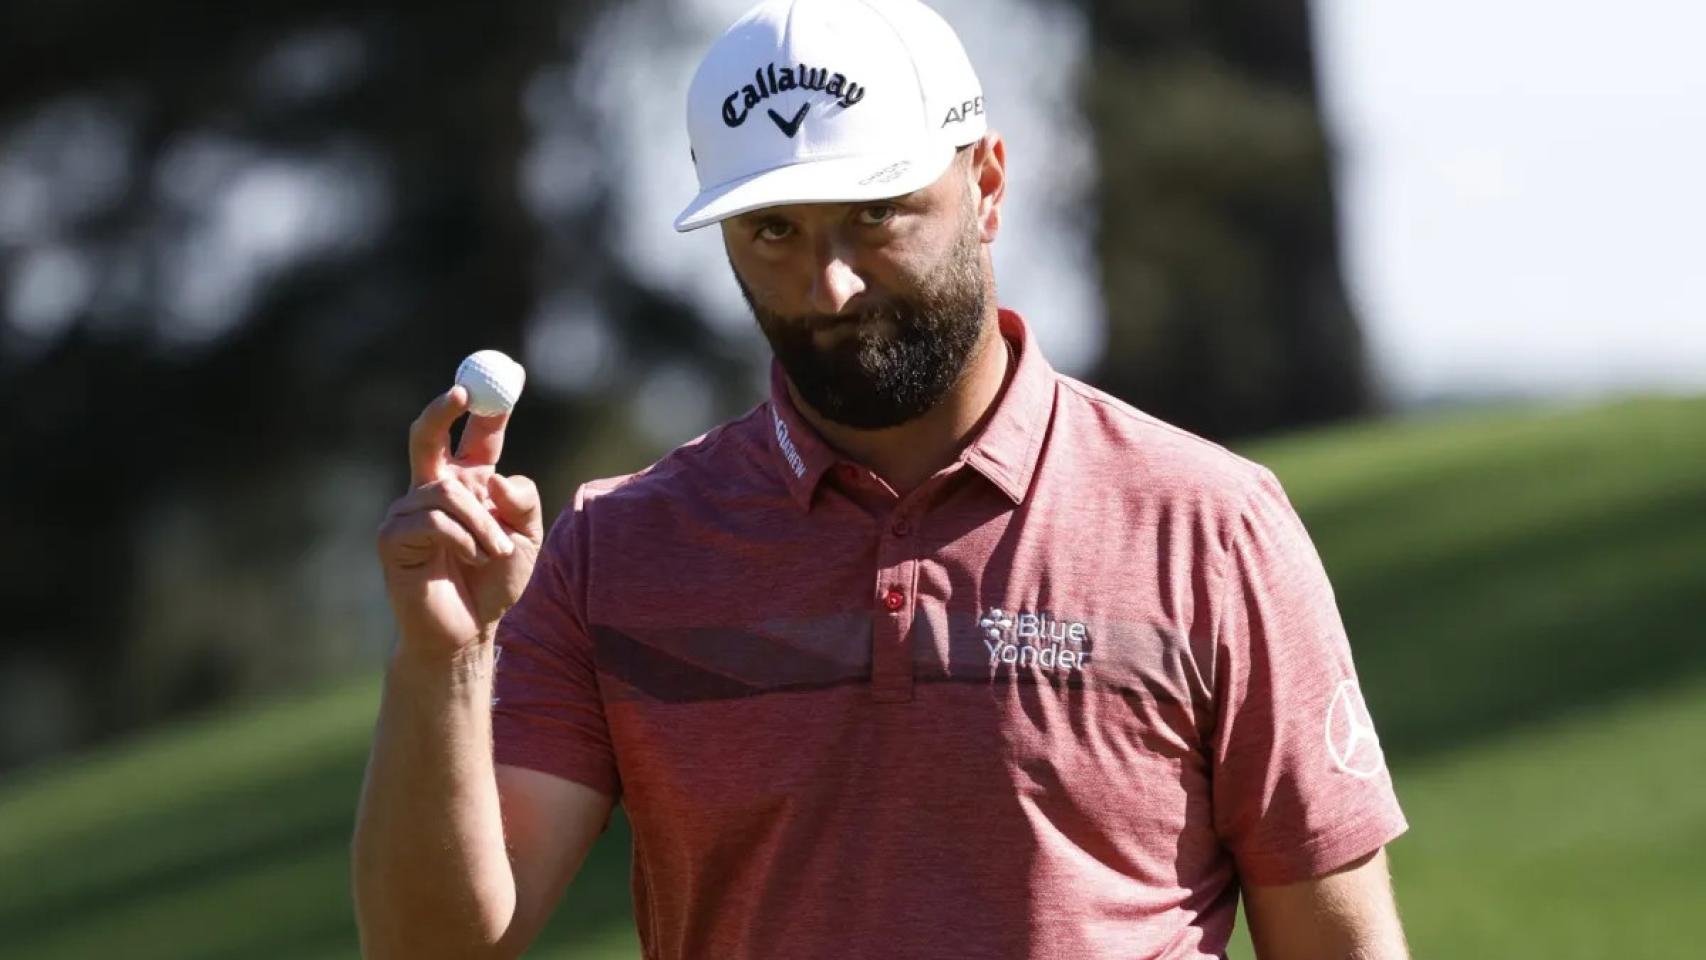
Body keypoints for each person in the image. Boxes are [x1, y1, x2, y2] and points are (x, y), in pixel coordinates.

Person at [352, 0, 1412, 957]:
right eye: (773, 231)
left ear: (985, 183)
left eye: (874, 213)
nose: (830, 283)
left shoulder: (1207, 526)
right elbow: (433, 948)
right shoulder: (615, 551)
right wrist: (443, 658)